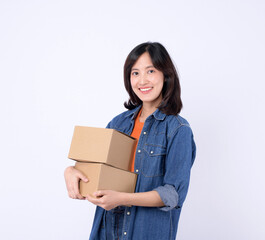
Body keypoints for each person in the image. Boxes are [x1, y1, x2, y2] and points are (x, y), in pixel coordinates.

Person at [64, 42, 196, 240]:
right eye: (135, 73)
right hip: (107, 230)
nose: (142, 80)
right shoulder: (118, 123)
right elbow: (96, 170)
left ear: (166, 75)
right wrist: (70, 171)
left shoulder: (178, 130)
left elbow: (172, 195)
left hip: (147, 232)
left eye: (150, 71)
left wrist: (122, 199)